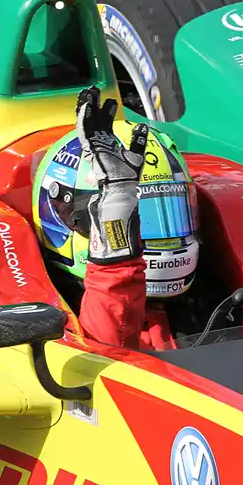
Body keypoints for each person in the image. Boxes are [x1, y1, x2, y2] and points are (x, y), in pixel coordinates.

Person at [31, 87, 200, 349]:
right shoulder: (52, 320)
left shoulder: (202, 302)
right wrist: (115, 260)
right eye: (128, 217)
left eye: (170, 211)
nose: (144, 236)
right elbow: (107, 350)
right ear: (67, 216)